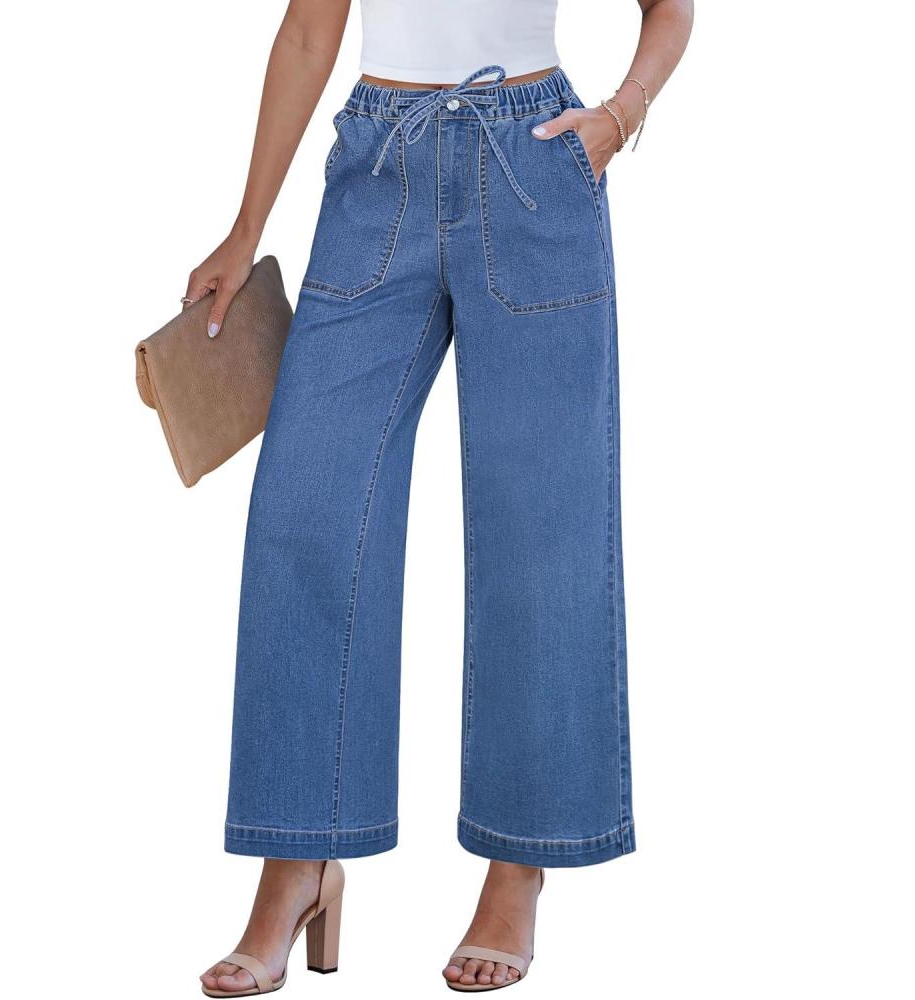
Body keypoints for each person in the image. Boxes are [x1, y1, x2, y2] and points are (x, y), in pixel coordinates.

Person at [186, 0, 693, 994]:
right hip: (377, 168)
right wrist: (245, 229)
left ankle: (518, 863)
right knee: (307, 513)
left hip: (535, 164)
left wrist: (619, 117)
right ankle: (300, 859)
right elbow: (308, 31)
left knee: (538, 530)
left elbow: (669, 10)